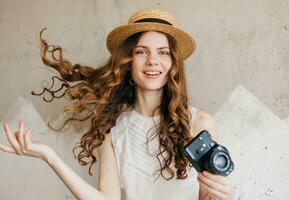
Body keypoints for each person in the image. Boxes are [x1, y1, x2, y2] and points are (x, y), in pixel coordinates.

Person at [0, 9, 233, 200]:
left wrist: (223, 196)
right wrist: (49, 156)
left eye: (163, 52)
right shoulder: (112, 128)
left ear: (173, 64)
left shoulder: (199, 122)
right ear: (128, 62)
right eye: (142, 51)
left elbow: (208, 198)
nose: (153, 60)